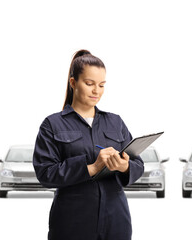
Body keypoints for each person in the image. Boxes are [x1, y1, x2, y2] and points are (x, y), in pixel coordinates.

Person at [33, 49, 144, 240]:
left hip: (116, 219)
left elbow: (138, 165)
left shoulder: (115, 122)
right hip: (72, 222)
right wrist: (92, 168)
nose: (96, 91)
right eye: (89, 83)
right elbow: (45, 173)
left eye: (101, 85)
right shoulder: (52, 124)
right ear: (73, 83)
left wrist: (124, 166)